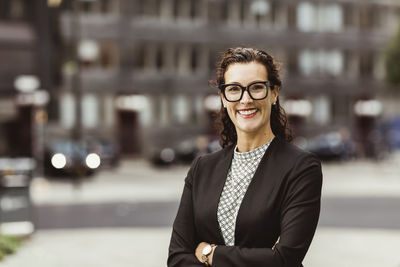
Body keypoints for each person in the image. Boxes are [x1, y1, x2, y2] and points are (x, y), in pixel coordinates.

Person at [168, 47, 323, 267]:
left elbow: (283, 259)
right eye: (234, 89)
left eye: (257, 88)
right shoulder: (202, 168)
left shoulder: (301, 168)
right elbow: (177, 257)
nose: (246, 99)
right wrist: (259, 257)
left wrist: (209, 253)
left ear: (274, 93)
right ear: (223, 97)